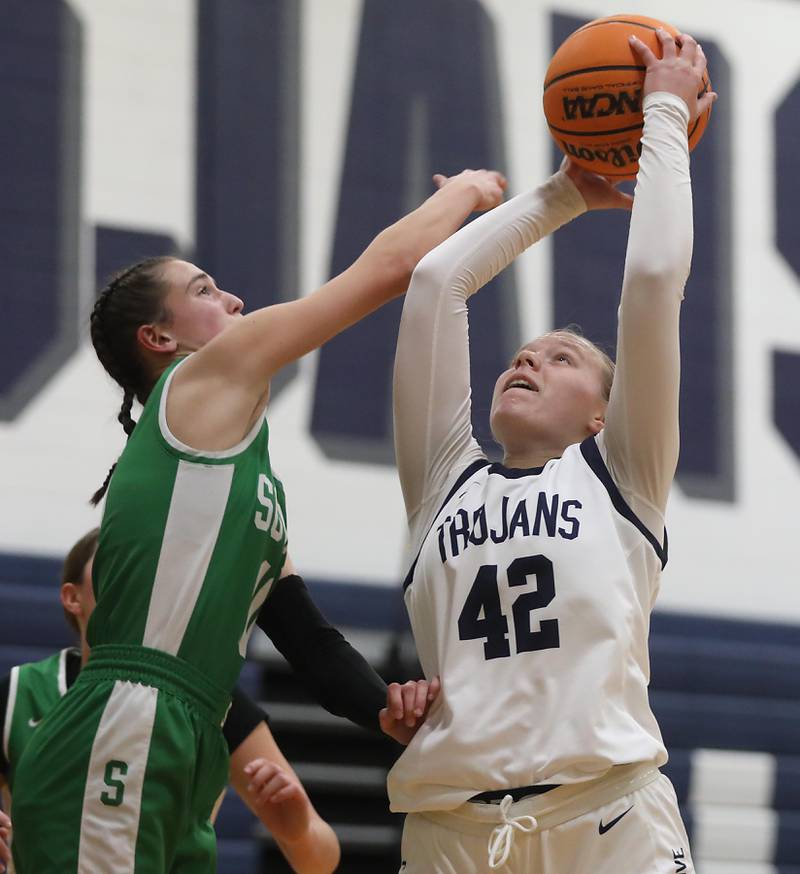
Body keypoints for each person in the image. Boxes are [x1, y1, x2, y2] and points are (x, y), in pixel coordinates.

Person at [10, 166, 506, 873]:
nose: (234, 299)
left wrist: (384, 715)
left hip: (192, 740)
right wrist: (473, 191)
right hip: (123, 720)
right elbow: (391, 268)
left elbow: (309, 641)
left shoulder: (240, 484)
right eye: (204, 291)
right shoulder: (199, 381)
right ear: (159, 339)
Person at [386, 30, 716, 873]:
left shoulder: (621, 473)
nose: (528, 358)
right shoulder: (442, 484)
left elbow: (650, 283)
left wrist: (666, 115)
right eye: (522, 353)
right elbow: (435, 285)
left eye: (561, 357)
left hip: (609, 818)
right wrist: (560, 194)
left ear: (603, 416)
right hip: (454, 833)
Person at [0, 529, 339, 874]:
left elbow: (320, 861)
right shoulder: (19, 692)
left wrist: (296, 835)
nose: (133, 575)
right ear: (73, 597)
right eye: (116, 561)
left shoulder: (212, 700)